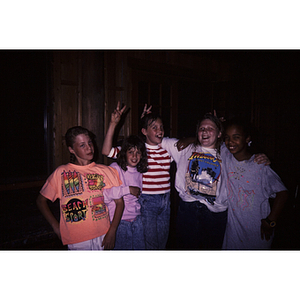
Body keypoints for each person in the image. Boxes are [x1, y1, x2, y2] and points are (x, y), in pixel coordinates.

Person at [36, 126, 124, 250]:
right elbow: (41, 201)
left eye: (90, 143)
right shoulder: (61, 173)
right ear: (71, 149)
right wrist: (56, 227)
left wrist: (112, 231)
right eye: (82, 145)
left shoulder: (106, 171)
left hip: (104, 234)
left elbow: (119, 202)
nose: (89, 148)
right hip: (76, 238)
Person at [102, 102, 172, 249]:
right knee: (150, 245)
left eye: (161, 127)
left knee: (162, 243)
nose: (159, 130)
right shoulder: (138, 150)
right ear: (145, 131)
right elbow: (107, 151)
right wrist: (113, 124)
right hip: (146, 202)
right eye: (154, 127)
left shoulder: (166, 149)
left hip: (165, 200)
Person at [161, 113, 227, 249]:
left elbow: (244, 145)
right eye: (202, 128)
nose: (205, 132)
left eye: (210, 128)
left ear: (219, 133)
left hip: (214, 213)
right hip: (188, 210)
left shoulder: (227, 152)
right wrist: (145, 121)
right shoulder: (185, 148)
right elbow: (156, 138)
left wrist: (260, 158)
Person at [220, 118, 288, 249]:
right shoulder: (226, 155)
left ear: (247, 139)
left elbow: (283, 193)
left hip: (258, 232)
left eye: (236, 137)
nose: (230, 142)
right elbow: (208, 139)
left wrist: (270, 221)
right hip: (233, 232)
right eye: (227, 137)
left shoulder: (259, 165)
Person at [104, 134, 148, 250]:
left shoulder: (139, 171)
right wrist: (128, 189)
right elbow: (106, 194)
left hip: (136, 219)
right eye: (131, 152)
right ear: (124, 153)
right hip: (119, 222)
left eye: (138, 152)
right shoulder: (115, 168)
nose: (135, 156)